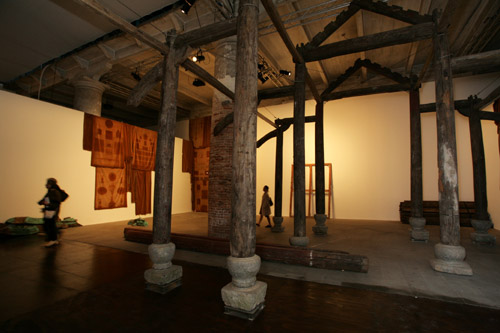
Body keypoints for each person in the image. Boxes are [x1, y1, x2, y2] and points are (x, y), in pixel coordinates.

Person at [38, 178, 63, 247]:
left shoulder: (56, 192)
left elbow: (57, 204)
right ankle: (54, 237)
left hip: (53, 211)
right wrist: (41, 203)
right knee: (48, 224)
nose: (47, 185)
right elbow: (44, 200)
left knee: (51, 225)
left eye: (48, 184)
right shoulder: (50, 192)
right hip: (49, 211)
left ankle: (53, 239)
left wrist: (48, 204)